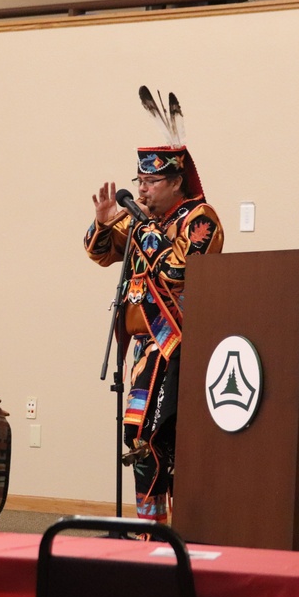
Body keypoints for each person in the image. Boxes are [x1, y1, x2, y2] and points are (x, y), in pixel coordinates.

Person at [84, 90, 224, 524]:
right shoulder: (146, 221)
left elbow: (181, 271)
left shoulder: (200, 219)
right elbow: (98, 252)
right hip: (144, 349)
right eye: (139, 181)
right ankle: (149, 526)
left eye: (151, 182)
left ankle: (177, 529)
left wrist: (141, 226)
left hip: (178, 346)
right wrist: (106, 220)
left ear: (176, 180)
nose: (141, 188)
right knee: (137, 435)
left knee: (165, 439)